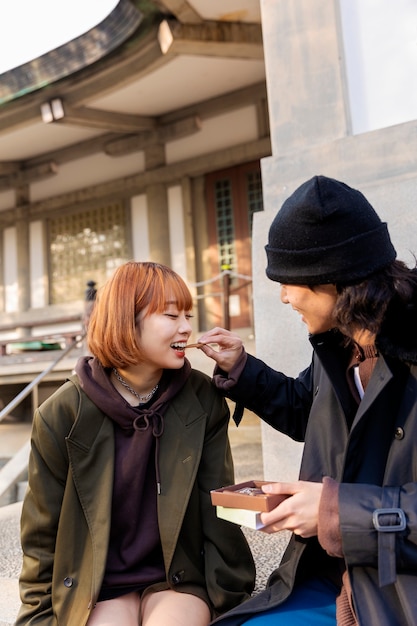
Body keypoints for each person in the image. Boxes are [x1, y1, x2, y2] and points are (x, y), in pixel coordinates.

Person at [197, 175, 417, 626]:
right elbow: (306, 410)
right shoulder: (342, 343)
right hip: (330, 571)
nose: (282, 296)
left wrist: (335, 511)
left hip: (400, 587)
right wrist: (242, 369)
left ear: (334, 278)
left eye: (290, 281)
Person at [16, 261, 255, 626]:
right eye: (171, 315)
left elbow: (218, 507)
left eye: (188, 315)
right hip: (97, 584)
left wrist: (230, 600)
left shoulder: (202, 399)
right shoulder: (62, 413)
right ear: (126, 321)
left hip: (178, 579)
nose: (187, 327)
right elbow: (41, 533)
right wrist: (37, 617)